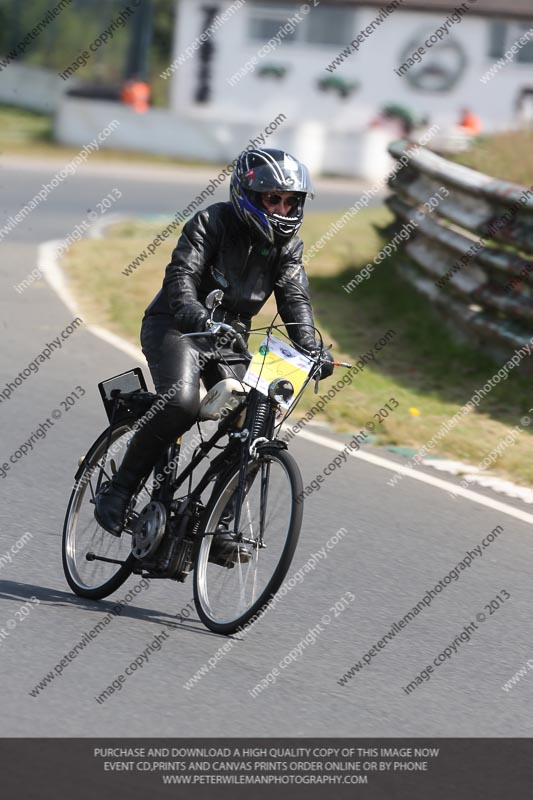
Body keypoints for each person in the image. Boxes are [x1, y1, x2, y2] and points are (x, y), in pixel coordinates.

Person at [94, 147, 334, 561]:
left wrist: (313, 349)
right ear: (247, 194)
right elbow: (181, 275)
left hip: (231, 339)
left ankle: (219, 525)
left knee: (258, 419)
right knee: (182, 404)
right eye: (271, 198)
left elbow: (295, 300)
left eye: (289, 200)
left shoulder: (288, 247)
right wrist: (193, 313)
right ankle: (119, 490)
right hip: (175, 325)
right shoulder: (211, 221)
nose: (281, 208)